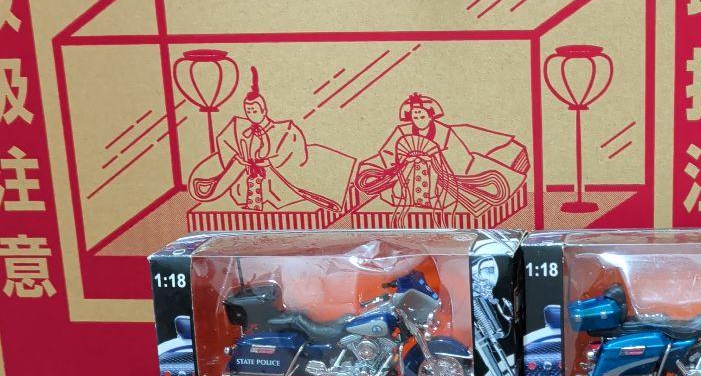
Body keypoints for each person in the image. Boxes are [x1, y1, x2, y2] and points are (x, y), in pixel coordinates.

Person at [353, 92, 527, 227]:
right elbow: (388, 154)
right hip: (406, 177)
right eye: (415, 117)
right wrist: (405, 160)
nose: (419, 120)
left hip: (438, 178)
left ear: (431, 116)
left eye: (422, 116)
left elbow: (460, 157)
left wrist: (432, 159)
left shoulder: (445, 132)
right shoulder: (401, 132)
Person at [188, 68, 339, 213]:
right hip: (248, 175)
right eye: (248, 111)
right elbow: (225, 143)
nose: (250, 114)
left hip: (274, 178)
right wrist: (240, 160)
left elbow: (294, 156)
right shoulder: (239, 128)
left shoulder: (285, 131)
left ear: (264, 110)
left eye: (254, 110)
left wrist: (270, 162)